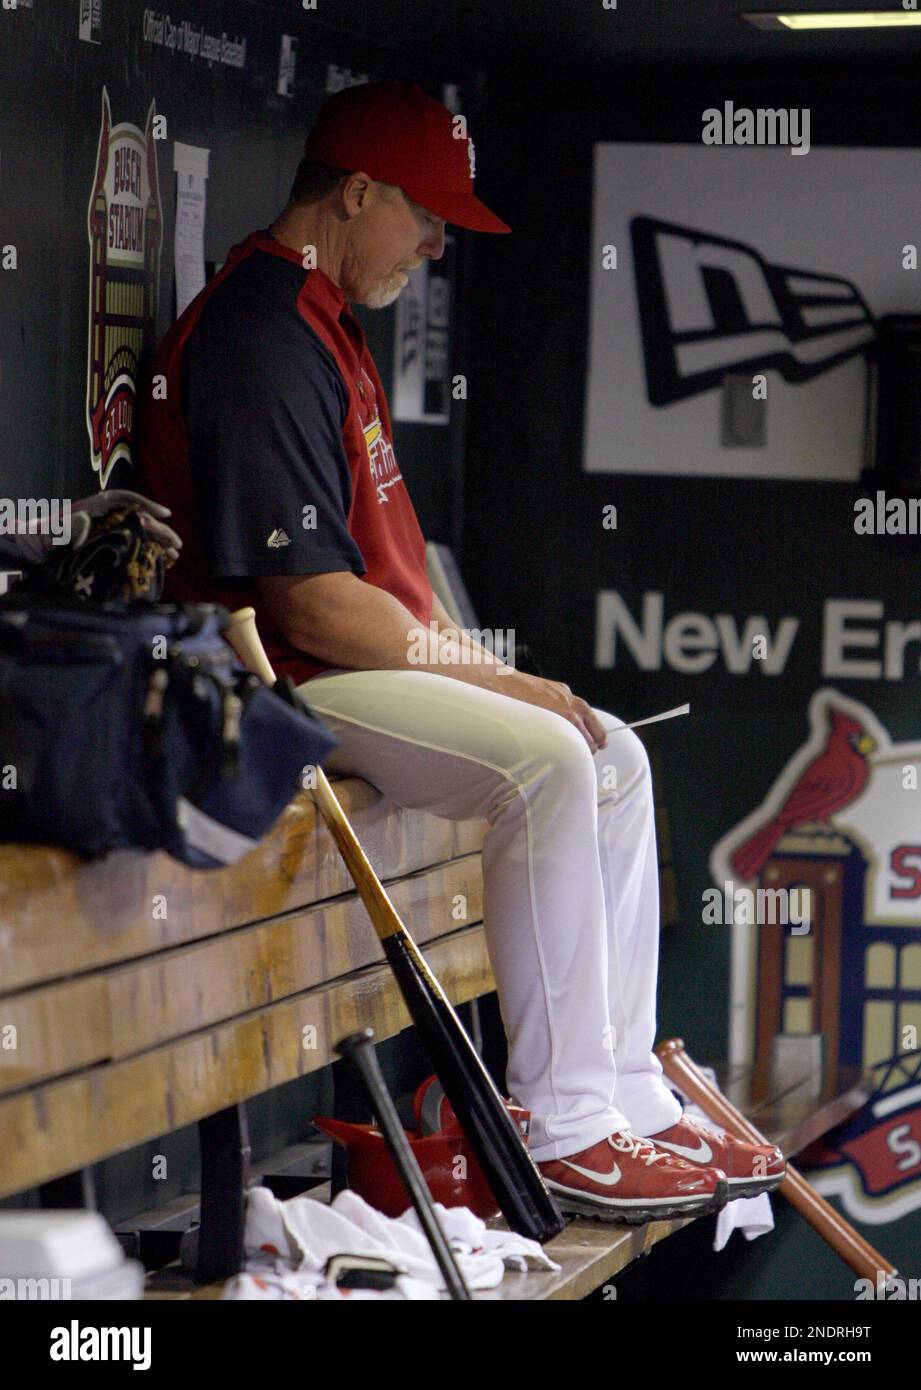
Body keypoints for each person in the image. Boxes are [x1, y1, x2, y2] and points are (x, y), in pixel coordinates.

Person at [137, 81, 784, 1223]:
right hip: (281, 685)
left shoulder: (327, 319)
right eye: (424, 215)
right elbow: (319, 611)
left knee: (614, 750)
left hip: (363, 671)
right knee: (551, 758)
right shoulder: (261, 332)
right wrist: (502, 680)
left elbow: (388, 576)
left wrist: (498, 674)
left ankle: (624, 1094)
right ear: (355, 192)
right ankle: (565, 1122)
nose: (438, 241)